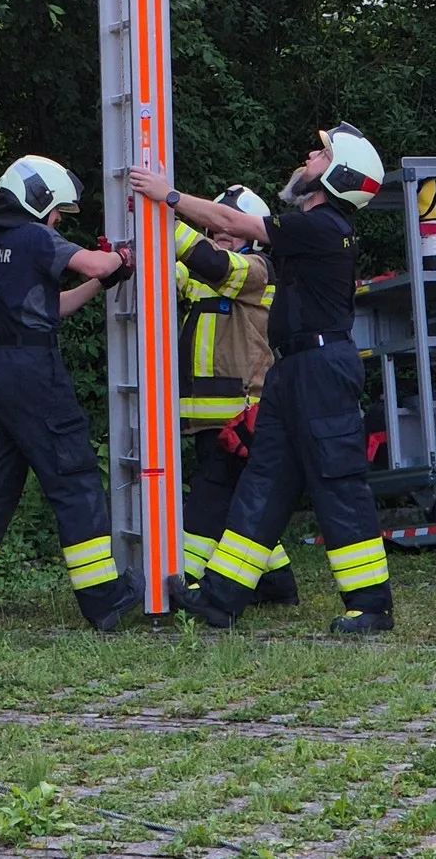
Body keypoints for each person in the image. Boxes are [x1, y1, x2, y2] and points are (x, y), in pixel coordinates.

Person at [132, 123, 392, 636]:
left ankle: (372, 606)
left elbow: (233, 221)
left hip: (319, 369)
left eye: (320, 154)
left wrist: (168, 197)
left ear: (337, 175)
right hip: (293, 369)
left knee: (337, 484)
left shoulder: (320, 226)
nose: (309, 154)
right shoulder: (311, 227)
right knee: (263, 482)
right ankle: (221, 598)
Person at [0, 155, 145, 634]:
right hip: (32, 372)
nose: (59, 220)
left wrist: (98, 283)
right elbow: (95, 259)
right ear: (40, 199)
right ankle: (105, 600)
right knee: (75, 480)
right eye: (58, 212)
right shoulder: (34, 235)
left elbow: (53, 306)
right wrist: (120, 261)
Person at [175, 187, 298, 606]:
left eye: (229, 227)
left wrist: (164, 219)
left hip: (243, 410)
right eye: (213, 226)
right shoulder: (201, 273)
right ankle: (277, 580)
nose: (218, 233)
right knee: (238, 499)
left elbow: (214, 264)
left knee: (213, 491)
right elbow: (177, 275)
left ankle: (186, 576)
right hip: (205, 412)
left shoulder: (258, 268)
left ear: (253, 236)